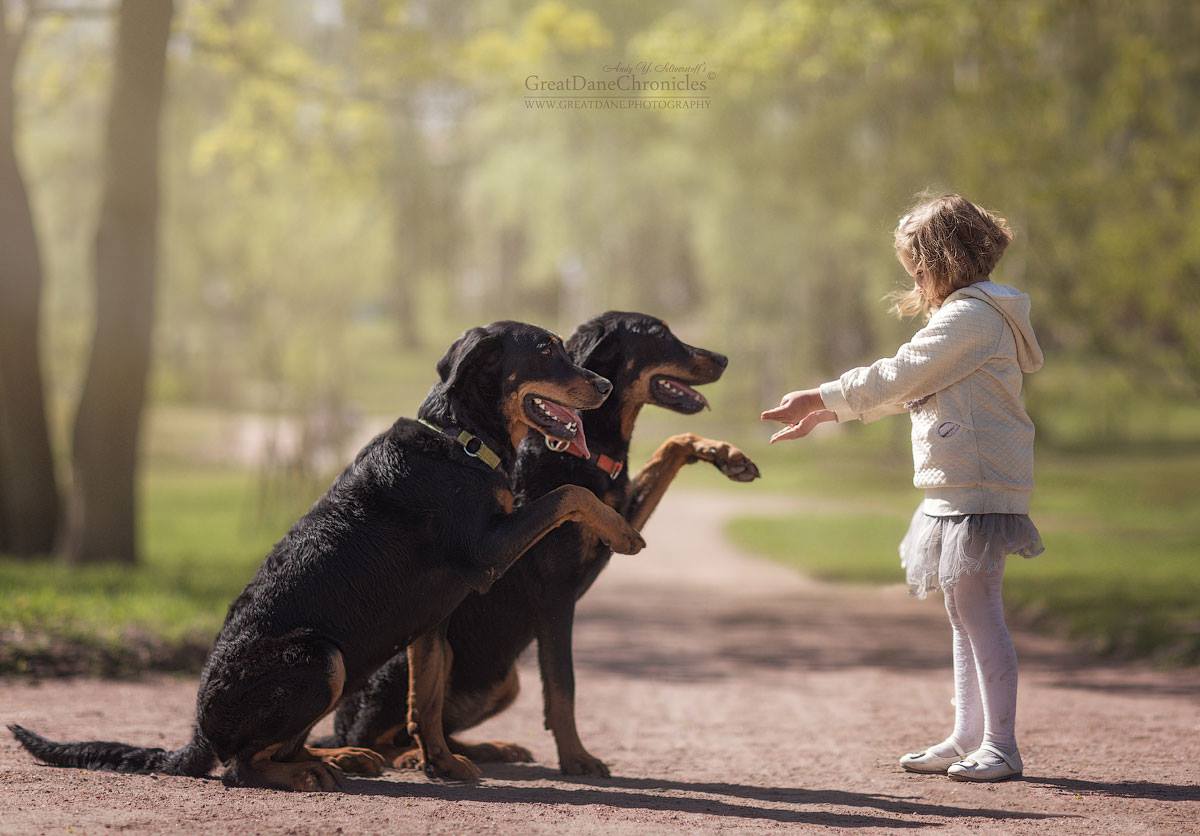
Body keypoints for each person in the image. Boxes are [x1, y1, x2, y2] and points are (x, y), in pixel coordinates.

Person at [762, 193, 1044, 782]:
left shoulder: (973, 317)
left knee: (978, 607)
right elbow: (905, 389)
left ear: (942, 258)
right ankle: (969, 735)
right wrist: (831, 413)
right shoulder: (969, 315)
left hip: (979, 479)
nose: (912, 274)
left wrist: (822, 394)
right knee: (962, 609)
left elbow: (902, 371)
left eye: (916, 261)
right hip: (958, 479)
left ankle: (1001, 745)